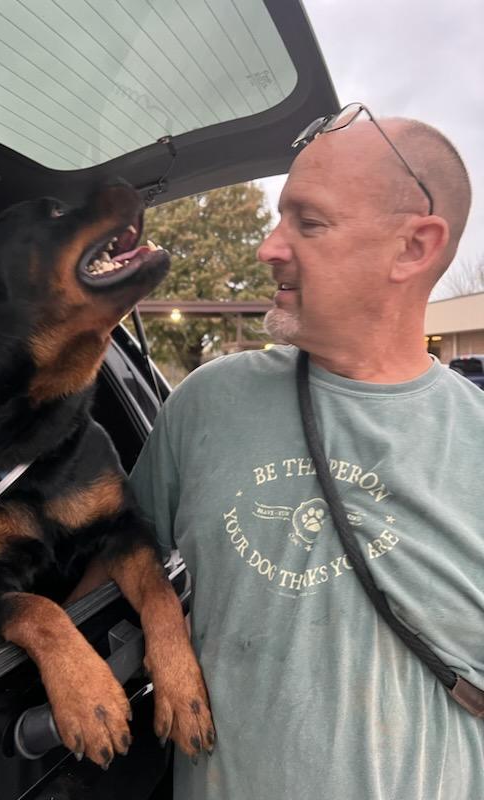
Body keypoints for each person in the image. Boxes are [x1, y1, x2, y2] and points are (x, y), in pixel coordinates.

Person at [130, 103, 483, 800]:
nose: (268, 246)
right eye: (280, 215)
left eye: (309, 222)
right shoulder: (207, 403)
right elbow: (109, 557)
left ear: (413, 247)